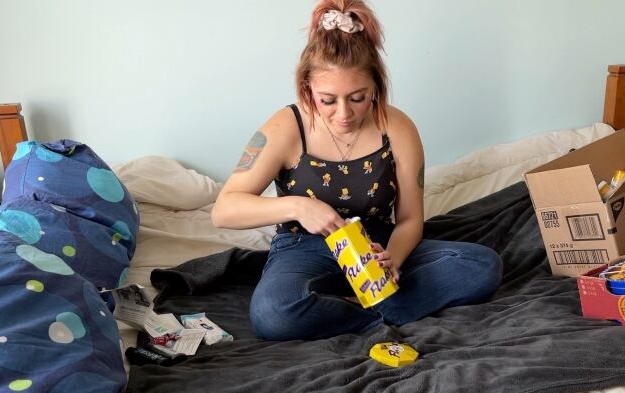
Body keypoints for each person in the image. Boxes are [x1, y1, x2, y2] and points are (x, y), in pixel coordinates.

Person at [212, 0, 503, 341]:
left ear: (375, 87)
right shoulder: (285, 127)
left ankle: (343, 309)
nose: (343, 114)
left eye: (358, 97)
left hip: (377, 245)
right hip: (305, 248)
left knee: (483, 267)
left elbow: (410, 219)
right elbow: (224, 210)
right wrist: (299, 206)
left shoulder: (397, 127)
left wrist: (392, 259)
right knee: (273, 313)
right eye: (328, 100)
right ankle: (378, 315)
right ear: (307, 89)